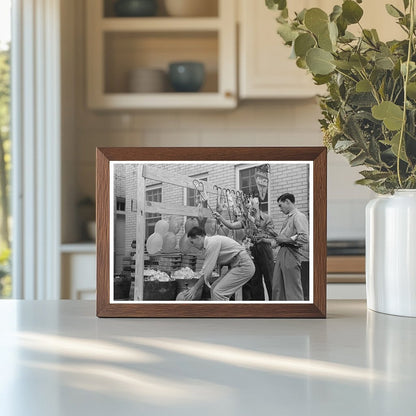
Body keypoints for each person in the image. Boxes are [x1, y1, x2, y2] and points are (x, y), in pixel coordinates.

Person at [213, 199, 275, 300]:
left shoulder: (267, 218)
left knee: (270, 279)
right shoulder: (246, 220)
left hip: (264, 249)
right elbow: (232, 226)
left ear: (258, 204)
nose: (250, 207)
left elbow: (271, 235)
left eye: (252, 204)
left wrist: (258, 233)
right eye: (249, 206)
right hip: (252, 250)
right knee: (255, 280)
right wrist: (221, 218)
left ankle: (274, 305)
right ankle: (258, 307)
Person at [184, 226, 255, 301]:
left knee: (218, 292)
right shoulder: (210, 243)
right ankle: (219, 311)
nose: (193, 245)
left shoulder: (211, 243)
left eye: (192, 242)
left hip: (243, 265)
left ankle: (221, 312)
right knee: (214, 287)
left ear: (198, 237)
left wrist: (194, 289)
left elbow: (207, 272)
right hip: (237, 265)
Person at [272, 193, 309, 301]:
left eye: (280, 205)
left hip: (291, 253)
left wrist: (284, 240)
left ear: (287, 202)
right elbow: (283, 238)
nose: (280, 209)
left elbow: (304, 237)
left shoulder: (299, 216)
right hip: (282, 252)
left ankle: (297, 313)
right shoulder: (289, 218)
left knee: (292, 288)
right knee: (278, 287)